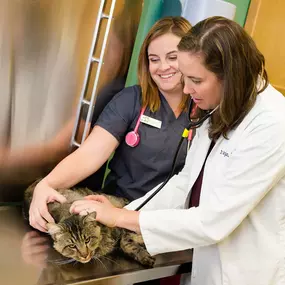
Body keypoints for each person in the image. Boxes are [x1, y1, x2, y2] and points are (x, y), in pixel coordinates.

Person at [70, 16, 285, 285]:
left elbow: (212, 221)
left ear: (231, 75)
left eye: (195, 79)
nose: (185, 88)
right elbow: (186, 182)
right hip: (206, 263)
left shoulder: (273, 124)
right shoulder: (218, 105)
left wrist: (122, 217)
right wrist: (125, 212)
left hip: (247, 271)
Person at [29, 16, 192, 232]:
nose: (163, 67)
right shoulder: (131, 100)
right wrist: (46, 184)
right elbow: (90, 154)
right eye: (154, 59)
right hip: (113, 212)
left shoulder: (205, 111)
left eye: (172, 57)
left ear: (192, 57)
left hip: (165, 222)